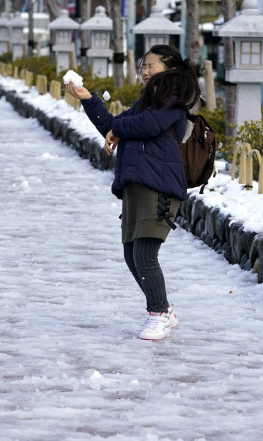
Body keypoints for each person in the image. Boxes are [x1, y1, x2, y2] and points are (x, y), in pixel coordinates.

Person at [65, 45, 201, 341]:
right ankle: (164, 308)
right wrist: (89, 99)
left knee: (145, 253)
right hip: (136, 184)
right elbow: (114, 125)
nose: (145, 71)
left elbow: (147, 126)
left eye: (151, 65)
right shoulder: (147, 102)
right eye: (143, 66)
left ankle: (158, 315)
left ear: (170, 68)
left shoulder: (173, 98)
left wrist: (119, 129)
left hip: (159, 185)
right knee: (131, 254)